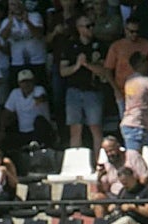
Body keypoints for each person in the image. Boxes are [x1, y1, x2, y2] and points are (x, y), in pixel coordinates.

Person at [61, 15, 108, 159]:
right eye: (87, 26)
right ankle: (76, 163)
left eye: (92, 25)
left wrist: (87, 64)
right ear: (79, 28)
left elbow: (104, 71)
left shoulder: (100, 45)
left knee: (95, 128)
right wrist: (77, 65)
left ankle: (99, 163)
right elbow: (62, 71)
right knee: (75, 129)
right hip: (74, 90)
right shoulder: (70, 45)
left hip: (93, 90)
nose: (91, 28)